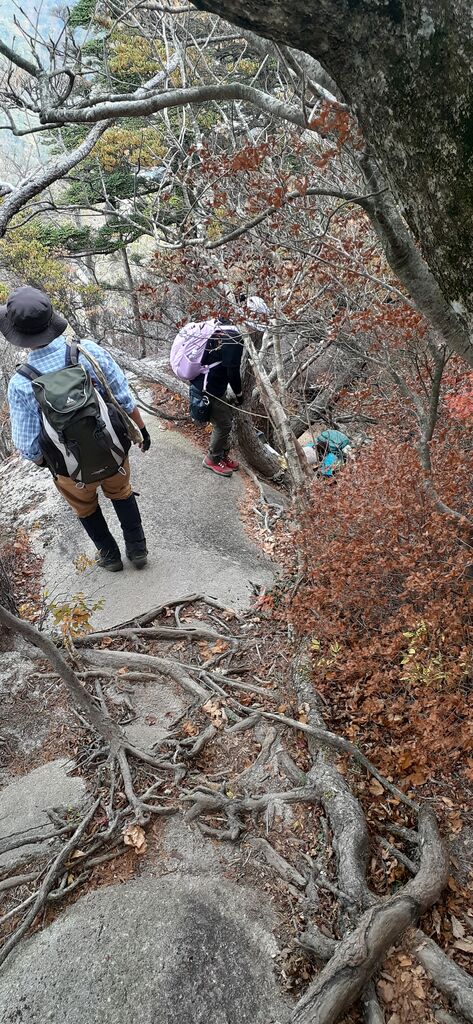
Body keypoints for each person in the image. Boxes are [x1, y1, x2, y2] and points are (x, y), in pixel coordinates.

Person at [2, 285, 150, 572]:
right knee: (121, 491)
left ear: (18, 335)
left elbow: (28, 446)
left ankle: (110, 556)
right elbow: (122, 397)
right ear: (51, 320)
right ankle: (138, 548)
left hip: (69, 468)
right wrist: (142, 430)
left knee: (84, 507)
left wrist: (52, 462)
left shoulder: (21, 383)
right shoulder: (86, 351)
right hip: (112, 450)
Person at [192, 319, 244, 477]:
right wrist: (239, 394)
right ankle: (212, 459)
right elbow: (232, 372)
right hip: (210, 388)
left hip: (205, 382)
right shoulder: (234, 338)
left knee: (225, 420)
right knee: (223, 425)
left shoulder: (220, 327)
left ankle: (221, 455)